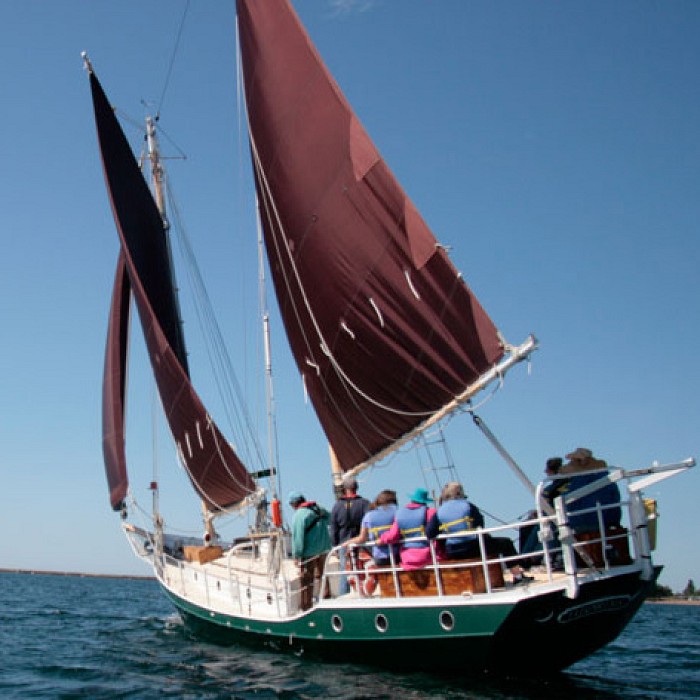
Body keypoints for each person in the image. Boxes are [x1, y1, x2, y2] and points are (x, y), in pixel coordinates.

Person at [426, 481, 531, 584]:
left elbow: (430, 533)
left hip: (452, 551)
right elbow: (480, 524)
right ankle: (518, 576)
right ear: (460, 493)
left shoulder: (439, 511)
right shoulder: (468, 506)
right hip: (472, 548)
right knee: (506, 543)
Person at [344, 490, 398, 596]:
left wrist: (346, 543)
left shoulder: (369, 516)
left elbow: (361, 538)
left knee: (385, 582)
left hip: (380, 555)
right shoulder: (397, 513)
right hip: (397, 553)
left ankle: (386, 595)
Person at [559, 447, 622, 533]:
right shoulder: (606, 477)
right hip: (609, 523)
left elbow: (567, 504)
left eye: (572, 461)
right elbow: (615, 497)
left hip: (585, 525)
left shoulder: (579, 480)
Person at [288, 491, 332, 611]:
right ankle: (326, 599)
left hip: (309, 553)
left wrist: (297, 556)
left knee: (306, 580)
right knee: (323, 576)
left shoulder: (299, 515)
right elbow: (331, 519)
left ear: (293, 504)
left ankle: (306, 606)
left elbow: (298, 538)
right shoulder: (318, 509)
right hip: (323, 549)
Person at [380, 487, 438, 570]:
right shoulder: (430, 512)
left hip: (407, 558)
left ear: (412, 500)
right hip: (428, 556)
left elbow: (392, 536)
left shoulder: (399, 513)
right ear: (425, 502)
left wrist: (382, 538)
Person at [330, 476, 370, 594]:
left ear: (344, 488)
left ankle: (344, 595)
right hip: (361, 541)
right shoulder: (364, 503)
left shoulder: (337, 506)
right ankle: (363, 592)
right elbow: (369, 522)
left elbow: (333, 528)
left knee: (345, 570)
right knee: (362, 567)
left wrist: (335, 546)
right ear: (356, 487)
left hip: (343, 542)